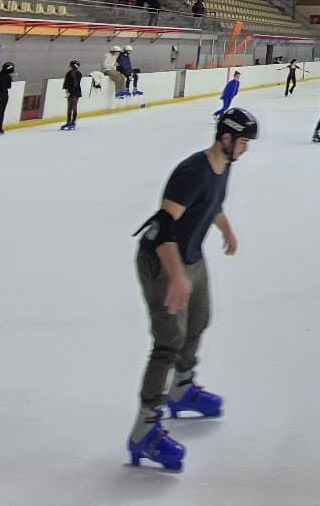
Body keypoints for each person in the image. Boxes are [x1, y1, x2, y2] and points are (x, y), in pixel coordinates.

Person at [126, 106, 258, 472]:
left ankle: (181, 388)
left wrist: (226, 229)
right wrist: (177, 277)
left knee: (199, 321)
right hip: (162, 262)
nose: (246, 150)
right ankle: (144, 430)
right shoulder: (191, 172)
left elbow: (212, 205)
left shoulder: (224, 166)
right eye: (244, 142)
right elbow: (165, 227)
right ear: (226, 139)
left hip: (191, 257)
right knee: (169, 340)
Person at [61, 60, 83, 131]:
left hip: (76, 92)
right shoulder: (68, 73)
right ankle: (68, 122)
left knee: (74, 106)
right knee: (69, 107)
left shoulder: (78, 74)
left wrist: (70, 92)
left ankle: (73, 122)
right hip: (70, 92)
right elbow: (66, 83)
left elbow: (76, 84)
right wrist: (67, 91)